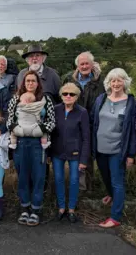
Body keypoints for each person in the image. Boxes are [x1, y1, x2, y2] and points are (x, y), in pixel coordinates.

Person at [7, 70, 56, 226]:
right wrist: (18, 130)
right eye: (27, 81)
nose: (30, 83)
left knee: (38, 177)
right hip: (20, 143)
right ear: (23, 82)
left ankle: (35, 210)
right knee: (22, 177)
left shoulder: (45, 99)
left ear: (38, 83)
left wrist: (39, 130)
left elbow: (51, 121)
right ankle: (24, 208)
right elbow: (9, 121)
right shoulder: (16, 99)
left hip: (37, 143)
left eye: (33, 81)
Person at [91, 68, 136, 228]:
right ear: (109, 83)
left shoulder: (131, 103)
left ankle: (115, 217)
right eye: (113, 80)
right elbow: (93, 121)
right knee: (106, 177)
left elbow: (133, 131)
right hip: (100, 148)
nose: (116, 84)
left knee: (117, 182)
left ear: (125, 82)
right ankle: (111, 195)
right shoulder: (101, 99)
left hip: (118, 150)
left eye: (120, 80)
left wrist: (131, 154)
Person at [63, 51, 105, 192]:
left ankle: (89, 188)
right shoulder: (69, 79)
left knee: (88, 154)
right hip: (74, 122)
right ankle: (77, 187)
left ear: (92, 64)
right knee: (75, 154)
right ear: (77, 66)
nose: (85, 66)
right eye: (82, 64)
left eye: (87, 63)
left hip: (93, 123)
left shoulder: (100, 81)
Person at [50, 83, 90, 223]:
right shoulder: (55, 110)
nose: (68, 96)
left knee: (74, 181)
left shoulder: (82, 112)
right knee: (59, 179)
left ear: (77, 96)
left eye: (71, 94)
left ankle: (71, 209)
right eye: (65, 94)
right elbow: (50, 132)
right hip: (57, 151)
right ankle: (61, 208)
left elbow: (86, 137)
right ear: (61, 96)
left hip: (75, 152)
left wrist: (84, 159)